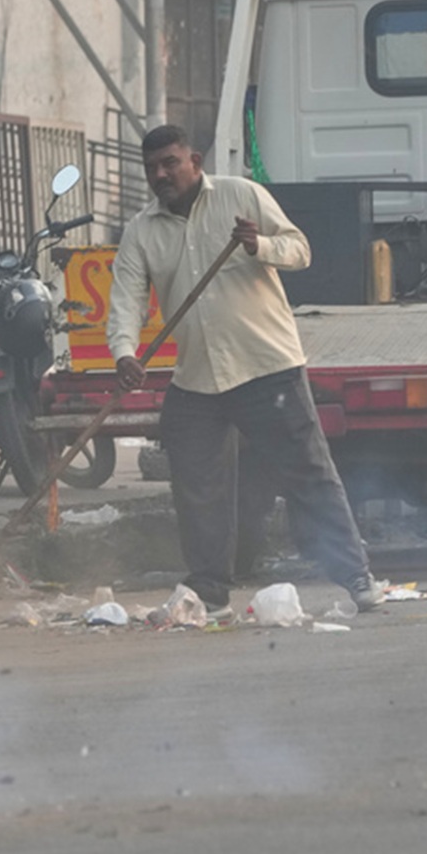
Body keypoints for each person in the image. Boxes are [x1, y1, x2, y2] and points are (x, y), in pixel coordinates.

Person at [108, 125, 386, 613]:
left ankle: (357, 577)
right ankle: (210, 591)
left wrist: (260, 247)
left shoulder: (240, 195)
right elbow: (126, 300)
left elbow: (300, 249)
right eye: (152, 167)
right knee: (198, 491)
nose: (161, 174)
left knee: (309, 476)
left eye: (170, 163)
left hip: (267, 368)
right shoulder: (141, 232)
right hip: (196, 378)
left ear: (194, 161)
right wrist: (125, 353)